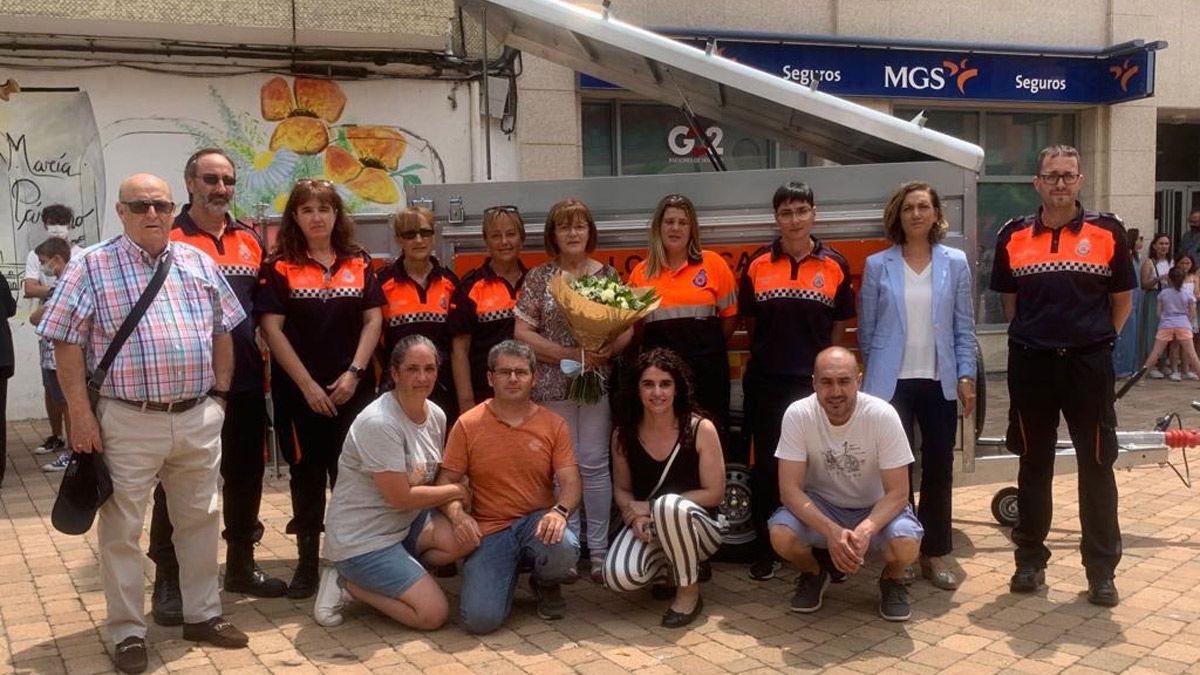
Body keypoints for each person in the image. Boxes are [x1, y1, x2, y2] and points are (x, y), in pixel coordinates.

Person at [38, 173, 251, 674]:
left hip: (196, 416)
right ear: (121, 211)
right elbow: (65, 342)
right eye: (139, 206)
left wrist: (219, 397)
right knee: (122, 530)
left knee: (201, 519)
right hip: (127, 419)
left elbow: (223, 329)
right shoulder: (91, 265)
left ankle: (203, 614)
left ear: (175, 209)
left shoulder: (197, 261)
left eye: (160, 205)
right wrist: (80, 416)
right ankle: (128, 631)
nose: (152, 214)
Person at [142, 148, 286, 627]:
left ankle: (241, 565)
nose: (220, 188)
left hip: (243, 383)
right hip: (187, 387)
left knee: (245, 477)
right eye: (210, 179)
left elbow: (264, 310)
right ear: (189, 183)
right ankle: (169, 579)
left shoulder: (249, 240)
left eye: (227, 180)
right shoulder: (169, 236)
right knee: (177, 485)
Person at [990, 144, 1134, 607]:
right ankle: (1030, 560)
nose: (1059, 183)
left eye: (1068, 175)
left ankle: (1101, 571)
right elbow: (1010, 304)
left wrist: (1098, 342)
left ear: (1080, 180)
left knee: (1097, 466)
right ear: (1037, 182)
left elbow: (1122, 300)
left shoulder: (1107, 232)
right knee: (1034, 463)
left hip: (1088, 366)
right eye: (1051, 175)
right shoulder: (1013, 235)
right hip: (1032, 364)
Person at [257, 179, 384, 599]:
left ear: (336, 215)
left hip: (352, 390)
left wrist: (354, 373)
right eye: (307, 210)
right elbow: (272, 329)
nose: (317, 217)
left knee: (351, 476)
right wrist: (307, 385)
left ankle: (351, 559)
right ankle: (308, 564)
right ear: (294, 216)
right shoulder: (279, 266)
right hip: (300, 394)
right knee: (306, 475)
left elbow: (373, 320)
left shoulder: (359, 261)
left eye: (324, 209)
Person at [858, 181, 976, 591]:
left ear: (936, 213)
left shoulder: (955, 263)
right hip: (892, 384)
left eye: (923, 206)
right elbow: (868, 330)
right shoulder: (878, 265)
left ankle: (936, 551)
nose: (916, 214)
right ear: (898, 215)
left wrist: (966, 375)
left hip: (939, 380)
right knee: (897, 471)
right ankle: (902, 549)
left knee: (939, 467)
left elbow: (964, 325)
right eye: (908, 208)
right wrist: (873, 376)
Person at [313, 335, 477, 629]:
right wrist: (456, 490)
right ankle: (346, 582)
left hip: (405, 525)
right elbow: (400, 498)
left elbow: (433, 477)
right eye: (412, 369)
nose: (422, 378)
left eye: (429, 368)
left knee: (466, 538)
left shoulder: (436, 415)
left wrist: (458, 511)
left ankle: (399, 574)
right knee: (433, 614)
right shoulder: (380, 422)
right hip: (363, 540)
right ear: (394, 373)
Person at [739, 181, 855, 581]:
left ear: (814, 214)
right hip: (768, 382)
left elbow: (839, 326)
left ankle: (826, 547)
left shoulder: (834, 264)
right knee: (768, 465)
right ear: (776, 218)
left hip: (814, 388)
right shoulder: (758, 264)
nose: (794, 220)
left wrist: (824, 376)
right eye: (786, 212)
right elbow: (752, 324)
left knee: (820, 468)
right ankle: (767, 548)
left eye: (801, 211)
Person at [514, 198, 632, 582]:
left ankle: (598, 552)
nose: (573, 233)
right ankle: (568, 548)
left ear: (589, 232)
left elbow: (626, 326)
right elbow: (522, 332)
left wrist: (606, 350)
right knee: (563, 468)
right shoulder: (539, 278)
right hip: (552, 387)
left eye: (580, 226)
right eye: (564, 227)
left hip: (594, 384)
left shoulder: (607, 276)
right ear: (553, 234)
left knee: (595, 464)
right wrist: (569, 353)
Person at [434, 339, 582, 634]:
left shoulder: (554, 424)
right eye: (504, 372)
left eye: (521, 372)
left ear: (534, 378)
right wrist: (458, 516)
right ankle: (503, 574)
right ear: (490, 378)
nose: (513, 379)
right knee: (479, 621)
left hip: (537, 524)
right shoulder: (467, 424)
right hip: (491, 530)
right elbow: (445, 482)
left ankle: (545, 582)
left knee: (564, 546)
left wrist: (560, 512)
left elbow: (571, 481)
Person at [768, 347, 922, 621]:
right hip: (822, 506)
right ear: (814, 383)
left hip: (875, 507)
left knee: (906, 543)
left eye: (844, 381)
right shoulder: (798, 414)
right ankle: (813, 573)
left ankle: (893, 579)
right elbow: (789, 491)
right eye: (826, 382)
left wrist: (865, 529)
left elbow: (899, 493)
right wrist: (831, 530)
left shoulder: (882, 415)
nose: (836, 391)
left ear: (858, 381)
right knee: (781, 535)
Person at [602, 348, 726, 629]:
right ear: (637, 389)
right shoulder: (623, 434)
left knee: (669, 506)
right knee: (620, 576)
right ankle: (671, 568)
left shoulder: (700, 428)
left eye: (665, 384)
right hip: (652, 527)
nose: (657, 392)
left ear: (677, 388)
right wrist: (634, 517)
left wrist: (650, 505)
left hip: (700, 528)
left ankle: (688, 592)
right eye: (648, 384)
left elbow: (715, 493)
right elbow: (622, 489)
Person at [628, 194, 737, 434]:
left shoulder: (714, 264)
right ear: (659, 227)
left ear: (692, 228)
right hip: (661, 379)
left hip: (707, 374)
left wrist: (706, 349)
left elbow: (730, 318)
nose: (675, 228)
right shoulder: (641, 273)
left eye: (682, 222)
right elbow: (636, 330)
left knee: (710, 437)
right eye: (669, 222)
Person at [378, 206, 460, 424]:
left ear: (434, 236)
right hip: (398, 387)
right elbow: (375, 340)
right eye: (409, 234)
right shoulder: (382, 283)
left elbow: (458, 345)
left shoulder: (450, 283)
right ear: (398, 239)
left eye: (425, 232)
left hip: (442, 387)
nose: (418, 240)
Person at [449, 205, 527, 412]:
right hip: (485, 398)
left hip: (532, 397)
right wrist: (466, 404)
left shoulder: (535, 283)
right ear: (486, 240)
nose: (504, 242)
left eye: (511, 234)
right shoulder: (470, 286)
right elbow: (459, 350)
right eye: (496, 236)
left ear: (522, 238)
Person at [24, 204, 85, 458]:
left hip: (74, 334)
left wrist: (57, 291)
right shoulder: (36, 254)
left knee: (72, 389)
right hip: (47, 332)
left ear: (71, 225)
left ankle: (74, 448)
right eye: (52, 222)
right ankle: (57, 436)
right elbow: (29, 288)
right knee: (52, 388)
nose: (57, 227)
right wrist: (59, 290)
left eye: (61, 222)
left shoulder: (82, 254)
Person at [31, 238, 73, 474]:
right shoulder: (59, 285)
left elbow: (36, 317)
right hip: (52, 353)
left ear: (57, 259)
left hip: (62, 355)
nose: (43, 267)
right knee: (62, 401)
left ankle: (73, 452)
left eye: (44, 262)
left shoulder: (65, 286)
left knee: (69, 405)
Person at [1140, 266, 1200, 381]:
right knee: (1192, 354)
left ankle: (1141, 378)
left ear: (1169, 279)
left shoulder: (1163, 294)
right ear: (1184, 279)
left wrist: (1165, 319)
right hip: (1183, 324)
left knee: (1155, 353)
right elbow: (1192, 314)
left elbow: (1159, 313)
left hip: (1166, 324)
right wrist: (1187, 320)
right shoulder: (1188, 294)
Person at [1111, 228, 1142, 378]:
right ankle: (1119, 368)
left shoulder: (1136, 258)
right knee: (1123, 335)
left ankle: (1130, 366)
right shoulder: (1126, 258)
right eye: (1139, 238)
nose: (1141, 242)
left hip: (1136, 301)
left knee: (1132, 336)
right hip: (1127, 300)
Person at [1140, 232, 1171, 374]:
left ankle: (1163, 362)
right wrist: (1157, 279)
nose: (1164, 246)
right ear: (1154, 246)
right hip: (1153, 297)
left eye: (1166, 244)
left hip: (1168, 298)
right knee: (1152, 330)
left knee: (1166, 330)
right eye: (1161, 243)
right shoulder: (1149, 262)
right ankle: (1150, 364)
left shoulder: (1171, 262)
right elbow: (1144, 284)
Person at [1167, 254, 1200, 380]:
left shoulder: (1194, 278)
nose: (1185, 266)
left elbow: (1197, 293)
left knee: (1187, 343)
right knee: (1175, 342)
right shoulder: (1173, 278)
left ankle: (1186, 370)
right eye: (1182, 263)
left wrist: (1192, 300)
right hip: (1176, 313)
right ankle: (1174, 370)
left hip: (1190, 313)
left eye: (1188, 263)